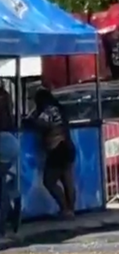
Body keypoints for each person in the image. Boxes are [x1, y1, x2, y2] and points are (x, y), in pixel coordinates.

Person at [28, 89, 76, 219]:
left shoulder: (48, 110)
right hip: (68, 146)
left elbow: (41, 123)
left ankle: (65, 208)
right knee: (67, 180)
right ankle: (71, 210)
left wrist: (30, 120)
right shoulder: (59, 109)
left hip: (57, 148)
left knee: (49, 181)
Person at [0, 85, 19, 236]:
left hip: (1, 142)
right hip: (11, 140)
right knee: (3, 184)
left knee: (1, 189)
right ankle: (14, 205)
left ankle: (2, 225)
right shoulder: (5, 96)